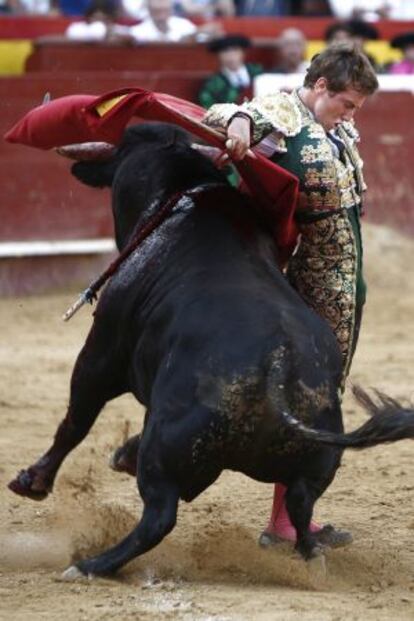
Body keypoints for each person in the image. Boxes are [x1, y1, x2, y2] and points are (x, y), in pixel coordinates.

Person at [203, 43, 379, 547]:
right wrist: (238, 122)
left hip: (346, 286)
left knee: (321, 396)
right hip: (313, 284)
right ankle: (284, 523)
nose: (350, 114)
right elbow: (226, 114)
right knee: (310, 399)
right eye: (346, 102)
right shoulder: (285, 110)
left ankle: (289, 519)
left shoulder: (337, 128)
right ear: (320, 85)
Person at [198, 35, 263, 109]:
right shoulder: (212, 84)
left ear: (243, 52)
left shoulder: (258, 72)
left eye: (235, 50)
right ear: (218, 55)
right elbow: (208, 108)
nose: (230, 55)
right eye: (225, 51)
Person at [130, 0, 222, 42]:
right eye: (157, 11)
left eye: (165, 10)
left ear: (170, 10)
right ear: (149, 10)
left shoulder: (183, 24)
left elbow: (202, 39)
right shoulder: (139, 31)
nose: (161, 15)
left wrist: (212, 36)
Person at [65, 0, 132, 41]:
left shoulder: (120, 30)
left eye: (104, 19)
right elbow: (97, 31)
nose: (100, 23)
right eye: (96, 19)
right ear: (89, 19)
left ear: (111, 19)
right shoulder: (78, 29)